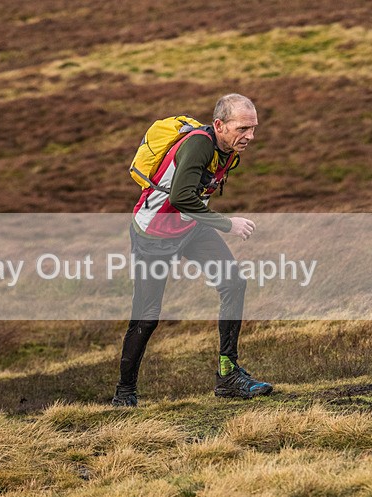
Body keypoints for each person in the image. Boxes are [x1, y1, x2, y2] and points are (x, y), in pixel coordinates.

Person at [112, 94, 273, 407]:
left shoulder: (228, 150)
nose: (250, 136)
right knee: (147, 315)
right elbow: (183, 196)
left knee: (232, 283)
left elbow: (192, 200)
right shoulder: (199, 144)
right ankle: (124, 393)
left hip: (190, 227)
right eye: (243, 128)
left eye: (253, 128)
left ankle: (228, 376)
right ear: (219, 125)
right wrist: (228, 224)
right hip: (154, 234)